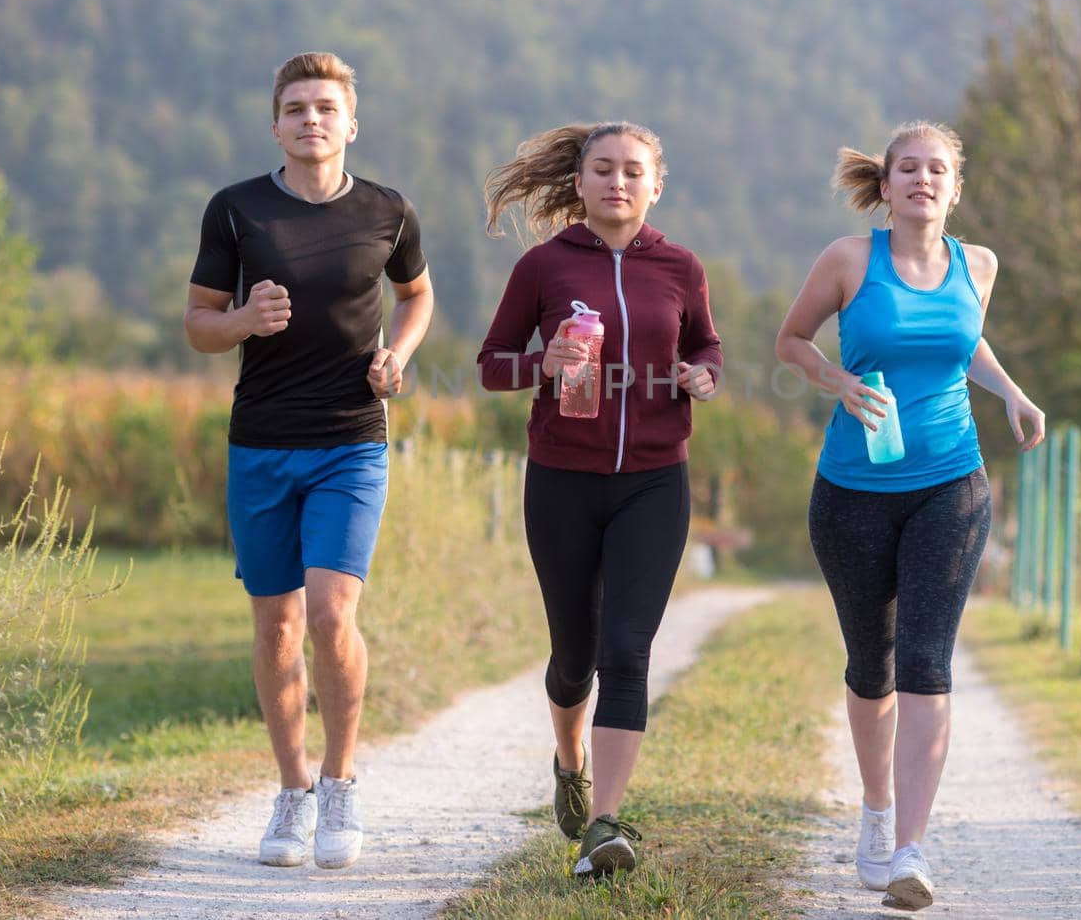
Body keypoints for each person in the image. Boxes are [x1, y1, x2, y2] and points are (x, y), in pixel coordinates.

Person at [775, 121, 1043, 911]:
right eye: (908, 169)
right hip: (852, 490)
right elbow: (790, 340)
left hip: (950, 485)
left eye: (938, 170)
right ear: (886, 185)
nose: (923, 180)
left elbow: (966, 342)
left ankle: (910, 850)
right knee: (873, 664)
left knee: (928, 661)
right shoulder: (849, 260)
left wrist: (1013, 392)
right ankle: (877, 806)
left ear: (956, 188)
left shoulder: (979, 265)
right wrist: (836, 379)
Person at [184, 51, 434, 870]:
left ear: (351, 123)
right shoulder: (236, 211)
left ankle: (340, 781)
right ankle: (292, 792)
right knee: (278, 624)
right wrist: (244, 320)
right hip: (260, 440)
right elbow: (197, 323)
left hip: (352, 439)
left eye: (327, 107)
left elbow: (418, 294)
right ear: (276, 125)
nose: (312, 119)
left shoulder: (388, 211)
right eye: (296, 108)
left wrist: (398, 354)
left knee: (330, 614)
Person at [476, 122, 722, 878]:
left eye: (633, 171)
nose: (619, 182)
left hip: (654, 479)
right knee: (574, 657)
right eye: (604, 170)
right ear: (578, 185)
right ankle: (569, 758)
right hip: (561, 478)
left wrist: (702, 375)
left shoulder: (681, 267)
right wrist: (539, 361)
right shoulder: (543, 267)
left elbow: (705, 345)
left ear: (657, 184)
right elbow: (490, 366)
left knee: (627, 651)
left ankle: (606, 822)